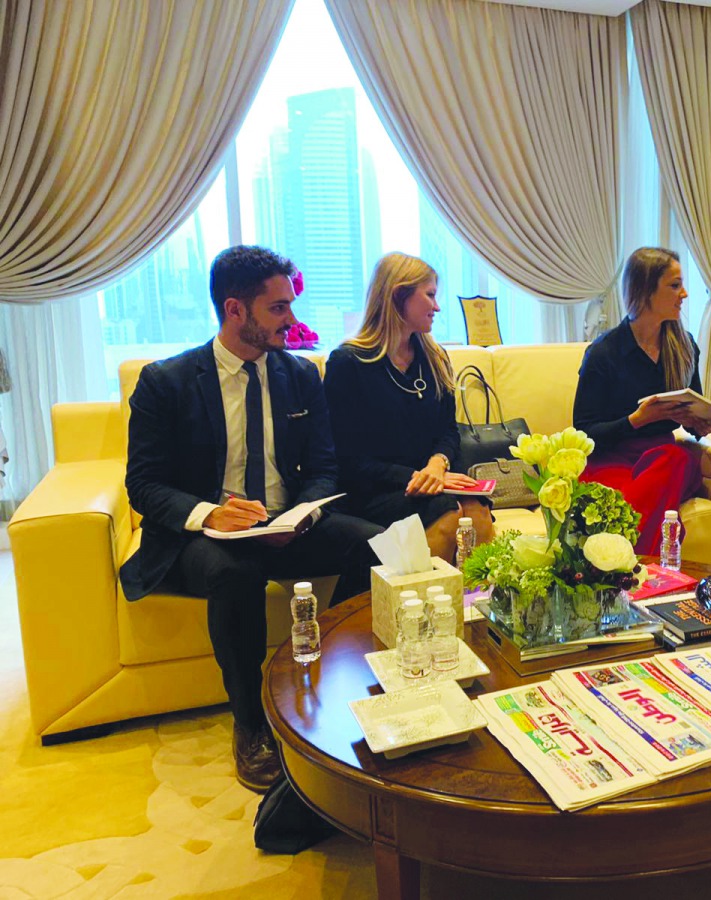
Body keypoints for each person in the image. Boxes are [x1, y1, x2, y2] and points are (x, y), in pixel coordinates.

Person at [120, 246, 383, 794]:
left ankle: (326, 674)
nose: (291, 319)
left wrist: (304, 513)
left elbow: (325, 466)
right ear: (235, 310)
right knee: (233, 573)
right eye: (278, 308)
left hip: (286, 524)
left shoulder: (300, 375)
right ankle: (250, 724)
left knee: (376, 544)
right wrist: (210, 513)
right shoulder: (166, 382)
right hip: (207, 536)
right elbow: (143, 484)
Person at [322, 252, 493, 561]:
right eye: (430, 295)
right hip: (374, 490)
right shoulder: (348, 363)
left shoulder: (434, 358)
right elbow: (349, 459)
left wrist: (437, 465)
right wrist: (419, 476)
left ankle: (476, 594)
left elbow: (449, 432)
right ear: (399, 296)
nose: (437, 307)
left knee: (477, 511)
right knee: (449, 514)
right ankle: (426, 594)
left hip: (433, 481)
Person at [572, 247, 711, 554]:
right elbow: (583, 433)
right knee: (627, 495)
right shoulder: (603, 353)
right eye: (675, 285)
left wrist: (699, 423)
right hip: (611, 459)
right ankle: (645, 563)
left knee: (676, 459)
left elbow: (692, 408)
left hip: (663, 456)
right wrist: (636, 421)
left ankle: (623, 559)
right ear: (645, 290)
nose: (684, 294)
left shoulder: (685, 346)